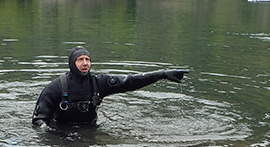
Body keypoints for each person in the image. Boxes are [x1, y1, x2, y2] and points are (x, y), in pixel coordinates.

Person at [32, 46, 187, 129]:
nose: (85, 63)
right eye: (80, 59)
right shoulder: (55, 87)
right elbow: (39, 121)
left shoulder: (99, 83)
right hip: (62, 133)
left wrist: (163, 74)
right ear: (72, 63)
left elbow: (131, 81)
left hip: (91, 129)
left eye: (88, 59)